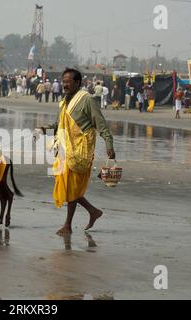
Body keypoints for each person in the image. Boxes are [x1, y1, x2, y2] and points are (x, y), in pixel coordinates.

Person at [36, 68, 115, 236]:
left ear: (77, 82)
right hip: (65, 148)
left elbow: (100, 123)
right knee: (66, 185)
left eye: (68, 82)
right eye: (63, 81)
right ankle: (92, 212)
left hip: (80, 149)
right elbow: (60, 123)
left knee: (69, 186)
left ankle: (68, 224)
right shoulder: (64, 101)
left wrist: (109, 144)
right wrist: (44, 129)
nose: (65, 84)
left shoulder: (87, 100)